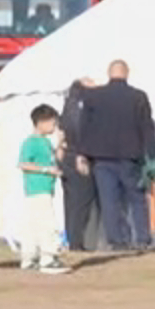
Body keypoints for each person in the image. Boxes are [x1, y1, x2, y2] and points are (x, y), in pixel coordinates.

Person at [79, 58, 155, 254]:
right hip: (130, 157)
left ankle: (117, 240)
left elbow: (84, 127)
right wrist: (153, 155)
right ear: (127, 74)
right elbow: (147, 128)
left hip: (102, 157)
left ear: (109, 74)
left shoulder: (94, 97)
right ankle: (142, 238)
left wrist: (83, 153)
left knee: (109, 201)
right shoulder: (138, 97)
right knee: (137, 199)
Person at [14, 101, 66, 272]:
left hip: (45, 188)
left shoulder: (45, 142)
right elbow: (23, 164)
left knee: (33, 225)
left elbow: (55, 159)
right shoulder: (31, 142)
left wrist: (60, 143)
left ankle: (28, 258)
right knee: (47, 223)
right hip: (37, 188)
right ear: (41, 122)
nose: (54, 126)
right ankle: (48, 258)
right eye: (52, 122)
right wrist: (45, 170)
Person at [56, 72, 98, 252]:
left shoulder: (68, 106)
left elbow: (62, 132)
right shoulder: (79, 108)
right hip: (78, 157)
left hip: (67, 156)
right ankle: (77, 242)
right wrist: (82, 154)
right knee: (81, 201)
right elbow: (78, 131)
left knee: (71, 202)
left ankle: (74, 240)